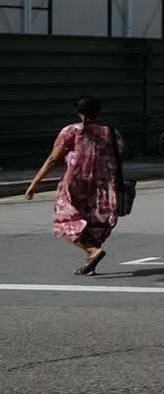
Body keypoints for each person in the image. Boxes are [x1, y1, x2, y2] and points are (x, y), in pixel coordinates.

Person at [23, 97, 125, 275]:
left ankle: (93, 251)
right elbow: (119, 153)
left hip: (75, 184)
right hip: (103, 185)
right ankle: (91, 261)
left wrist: (35, 182)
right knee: (95, 222)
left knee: (65, 221)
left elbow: (53, 158)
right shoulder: (111, 132)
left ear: (79, 112)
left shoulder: (71, 131)